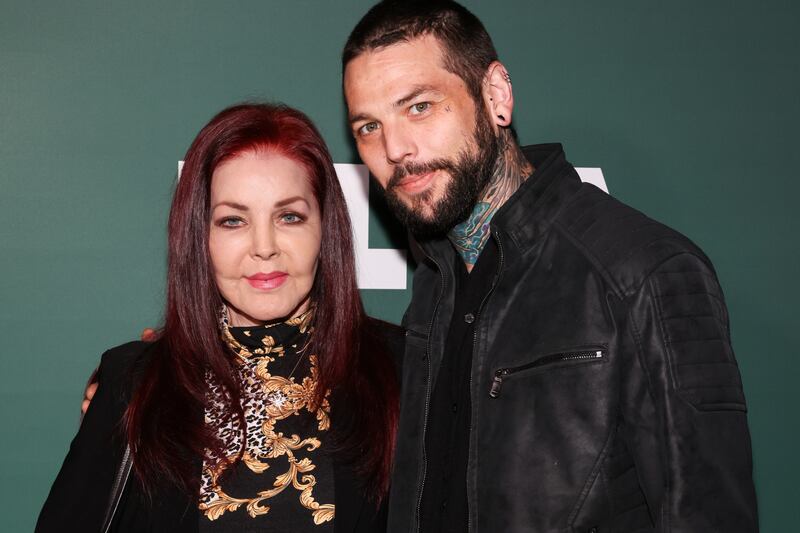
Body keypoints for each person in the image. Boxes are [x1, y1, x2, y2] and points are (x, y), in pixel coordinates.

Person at [341, 1, 758, 532]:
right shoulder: (434, 288)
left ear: (495, 95)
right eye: (369, 126)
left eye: (419, 107)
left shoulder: (641, 272)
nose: (395, 148)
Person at [37, 103, 400, 532]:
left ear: (325, 229)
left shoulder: (405, 370)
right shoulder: (132, 384)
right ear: (199, 237)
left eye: (289, 216)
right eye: (233, 221)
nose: (264, 246)